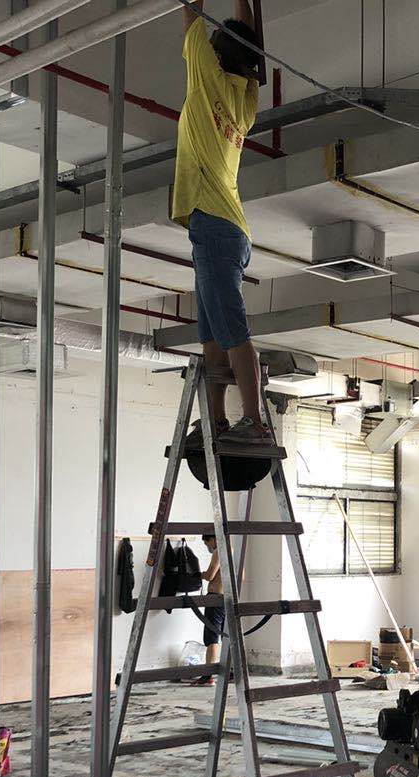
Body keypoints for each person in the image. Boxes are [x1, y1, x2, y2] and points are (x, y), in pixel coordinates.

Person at [172, 1, 269, 446]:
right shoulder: (244, 99)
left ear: (215, 53)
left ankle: (253, 420)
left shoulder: (206, 77)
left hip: (214, 223)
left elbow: (191, 12)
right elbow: (246, 41)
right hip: (222, 225)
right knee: (213, 334)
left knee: (231, 331)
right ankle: (216, 420)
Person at [192, 533, 225, 685]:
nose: (208, 547)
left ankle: (208, 676)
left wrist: (200, 575)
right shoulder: (233, 552)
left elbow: (210, 575)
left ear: (213, 539)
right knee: (226, 636)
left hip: (215, 598)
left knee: (211, 636)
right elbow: (241, 576)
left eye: (207, 544)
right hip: (228, 598)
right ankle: (230, 672)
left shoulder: (219, 551)